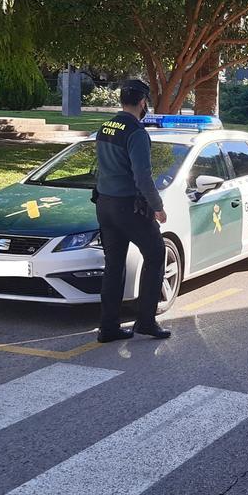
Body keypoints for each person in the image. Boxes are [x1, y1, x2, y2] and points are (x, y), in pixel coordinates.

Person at [94, 79, 172, 343]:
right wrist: (157, 208)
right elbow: (143, 176)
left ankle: (108, 327)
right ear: (142, 102)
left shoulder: (106, 126)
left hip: (104, 204)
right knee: (156, 253)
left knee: (113, 265)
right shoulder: (136, 132)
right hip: (129, 206)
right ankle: (146, 321)